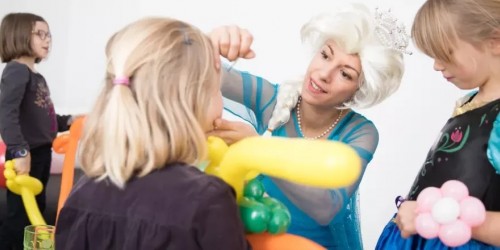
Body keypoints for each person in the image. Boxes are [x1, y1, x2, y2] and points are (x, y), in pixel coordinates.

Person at [208, 3, 410, 249]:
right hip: (256, 239)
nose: (324, 74)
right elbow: (199, 69)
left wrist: (256, 149)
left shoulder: (361, 132)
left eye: (345, 74)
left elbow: (327, 207)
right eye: (325, 55)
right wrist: (209, 44)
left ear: (361, 88)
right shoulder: (272, 100)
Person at [54, 17, 249, 250]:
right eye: (217, 92)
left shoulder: (82, 192)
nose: (221, 106)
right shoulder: (208, 199)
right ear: (192, 102)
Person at [376, 0, 500, 248]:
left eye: (445, 53)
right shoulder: (472, 102)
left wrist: (436, 216)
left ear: (495, 41)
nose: (436, 65)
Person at [0, 13, 73, 249]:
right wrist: (20, 151)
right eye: (39, 34)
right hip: (26, 154)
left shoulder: (36, 76)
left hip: (41, 153)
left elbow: (44, 117)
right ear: (19, 35)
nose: (47, 40)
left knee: (36, 211)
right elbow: (6, 114)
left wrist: (69, 121)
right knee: (20, 216)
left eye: (48, 34)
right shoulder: (16, 71)